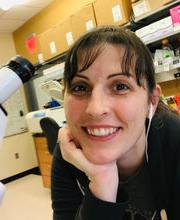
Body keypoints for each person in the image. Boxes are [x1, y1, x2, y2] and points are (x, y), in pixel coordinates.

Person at [51, 26, 180, 220]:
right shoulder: (69, 154)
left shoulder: (175, 140)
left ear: (151, 101)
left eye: (120, 86)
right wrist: (101, 184)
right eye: (80, 87)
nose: (95, 109)